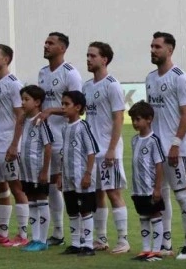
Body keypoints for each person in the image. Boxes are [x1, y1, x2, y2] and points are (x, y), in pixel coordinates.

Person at [145, 32, 186, 260]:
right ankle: (165, 243)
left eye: (157, 47)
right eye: (152, 46)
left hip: (175, 148)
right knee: (161, 195)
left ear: (170, 50)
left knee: (182, 195)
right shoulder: (150, 78)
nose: (153, 50)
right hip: (156, 149)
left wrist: (176, 143)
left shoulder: (179, 78)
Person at [30, 32, 82, 247]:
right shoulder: (42, 73)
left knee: (64, 185)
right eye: (45, 42)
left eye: (50, 43)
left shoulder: (71, 74)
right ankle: (58, 232)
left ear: (62, 48)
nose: (46, 45)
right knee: (50, 185)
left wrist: (51, 110)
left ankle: (81, 234)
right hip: (44, 137)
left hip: (63, 137)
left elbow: (78, 106)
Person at [82, 41, 129, 254]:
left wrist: (111, 149)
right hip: (92, 151)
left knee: (113, 192)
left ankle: (123, 240)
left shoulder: (112, 85)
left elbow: (118, 118)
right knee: (96, 193)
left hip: (108, 149)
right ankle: (100, 238)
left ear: (104, 59)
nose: (88, 59)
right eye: (87, 55)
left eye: (93, 56)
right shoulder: (87, 86)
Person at [0, 44, 29, 247]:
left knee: (16, 187)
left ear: (6, 59)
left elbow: (21, 115)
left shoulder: (14, 84)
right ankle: (2, 233)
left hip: (9, 143)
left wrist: (14, 144)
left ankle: (22, 234)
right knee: (1, 187)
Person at [58, 91, 99, 257]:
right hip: (68, 177)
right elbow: (64, 153)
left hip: (81, 176)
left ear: (77, 107)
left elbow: (92, 151)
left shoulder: (83, 127)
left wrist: (88, 174)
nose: (63, 107)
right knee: (72, 210)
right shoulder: (64, 128)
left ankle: (88, 245)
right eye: (62, 103)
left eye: (66, 104)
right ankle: (75, 243)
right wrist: (60, 175)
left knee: (85, 210)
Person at [128, 101, 166, 262]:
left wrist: (157, 188)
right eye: (133, 120)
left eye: (138, 119)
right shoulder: (134, 140)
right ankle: (145, 249)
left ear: (149, 119)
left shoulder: (153, 140)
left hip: (150, 188)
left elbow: (159, 165)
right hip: (138, 188)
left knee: (155, 215)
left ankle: (156, 251)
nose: (135, 123)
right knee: (143, 216)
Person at [18, 85, 54, 252]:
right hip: (26, 170)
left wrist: (45, 171)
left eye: (26, 99)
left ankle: (43, 240)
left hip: (38, 170)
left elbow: (48, 146)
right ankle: (35, 238)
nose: (23, 102)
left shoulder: (41, 122)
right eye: (22, 99)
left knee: (41, 201)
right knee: (31, 202)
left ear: (37, 102)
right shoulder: (25, 120)